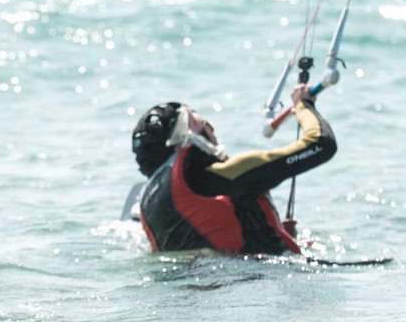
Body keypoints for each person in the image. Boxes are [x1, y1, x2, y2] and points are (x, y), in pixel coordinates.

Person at [130, 84, 335, 255]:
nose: (213, 133)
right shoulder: (219, 177)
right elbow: (321, 144)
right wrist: (303, 105)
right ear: (187, 138)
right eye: (206, 126)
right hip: (259, 280)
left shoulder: (149, 206)